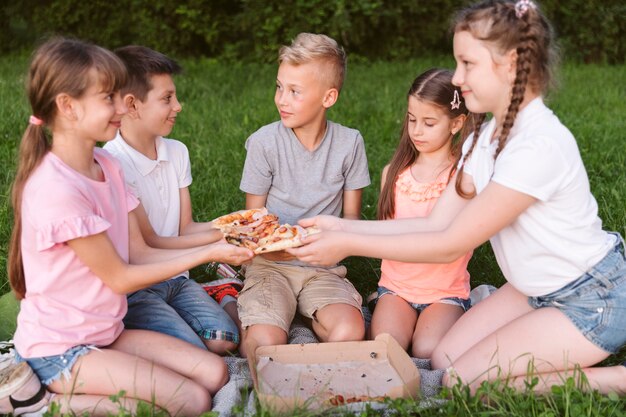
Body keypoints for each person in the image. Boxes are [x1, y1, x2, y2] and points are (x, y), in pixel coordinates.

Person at [289, 0, 626, 395]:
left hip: (590, 299)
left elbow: (449, 244)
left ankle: (615, 380)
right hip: (532, 290)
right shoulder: (484, 138)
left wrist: (345, 242)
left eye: (468, 64)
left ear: (512, 63)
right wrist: (341, 225)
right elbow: (436, 223)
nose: (459, 78)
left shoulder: (537, 145)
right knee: (443, 357)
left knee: (461, 381)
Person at [6, 37, 253, 416]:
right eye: (108, 97)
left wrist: (225, 237)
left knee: (215, 371)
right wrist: (210, 251)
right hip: (62, 351)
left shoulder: (108, 166)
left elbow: (141, 250)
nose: (121, 105)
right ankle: (41, 403)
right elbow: (120, 277)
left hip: (108, 333)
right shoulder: (56, 188)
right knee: (192, 400)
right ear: (67, 107)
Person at [237, 33, 371, 357]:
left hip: (322, 266)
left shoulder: (350, 143)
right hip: (270, 265)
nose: (282, 99)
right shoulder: (263, 143)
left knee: (351, 330)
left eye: (295, 92)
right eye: (279, 87)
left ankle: (316, 370)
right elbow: (254, 221)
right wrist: (278, 248)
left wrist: (323, 244)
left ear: (329, 98)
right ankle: (243, 302)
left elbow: (351, 220)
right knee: (263, 344)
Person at [103, 45, 242, 354]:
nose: (178, 106)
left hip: (178, 279)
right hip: (139, 286)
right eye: (167, 98)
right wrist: (215, 247)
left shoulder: (177, 152)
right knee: (193, 349)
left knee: (224, 340)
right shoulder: (113, 164)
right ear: (132, 105)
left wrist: (239, 230)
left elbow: (186, 227)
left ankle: (222, 293)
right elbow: (147, 245)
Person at [370, 68, 473, 359]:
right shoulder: (394, 175)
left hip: (444, 292)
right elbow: (384, 235)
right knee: (385, 347)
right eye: (412, 120)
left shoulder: (462, 179)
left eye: (429, 123)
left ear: (456, 123)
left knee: (428, 350)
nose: (416, 131)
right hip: (396, 289)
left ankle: (472, 304)